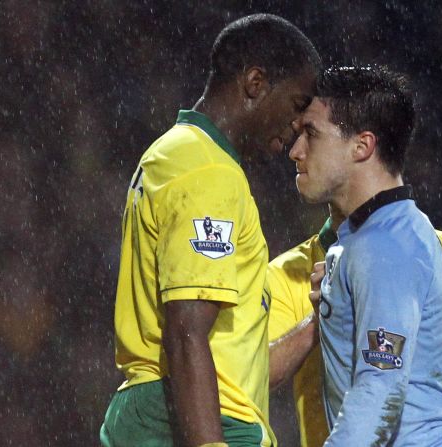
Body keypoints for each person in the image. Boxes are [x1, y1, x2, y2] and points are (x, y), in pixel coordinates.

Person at [100, 14, 320, 447]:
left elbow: (234, 363)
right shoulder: (207, 172)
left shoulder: (175, 153)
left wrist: (316, 327)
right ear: (256, 83)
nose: (298, 127)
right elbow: (186, 330)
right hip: (204, 423)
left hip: (164, 412)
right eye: (297, 106)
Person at [282, 65, 442, 446]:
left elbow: (381, 389)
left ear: (362, 146)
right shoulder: (376, 235)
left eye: (311, 134)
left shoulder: (385, 247)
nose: (296, 150)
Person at [267, 211, 442, 447]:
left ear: (364, 148)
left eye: (313, 144)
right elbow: (257, 376)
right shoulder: (289, 273)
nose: (296, 152)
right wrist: (321, 319)